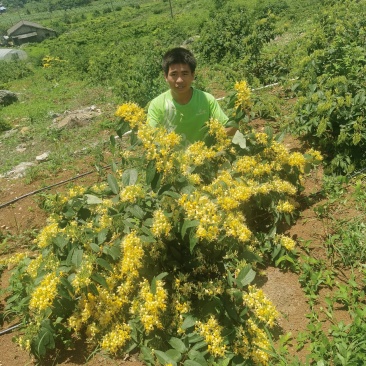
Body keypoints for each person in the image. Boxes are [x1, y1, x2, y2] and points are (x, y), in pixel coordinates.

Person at [147, 47, 237, 144]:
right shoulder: (157, 105)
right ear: (165, 77)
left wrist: (240, 116)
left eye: (185, 74)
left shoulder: (207, 100)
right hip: (173, 159)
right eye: (174, 74)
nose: (180, 80)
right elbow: (150, 139)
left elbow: (228, 131)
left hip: (205, 157)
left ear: (192, 75)